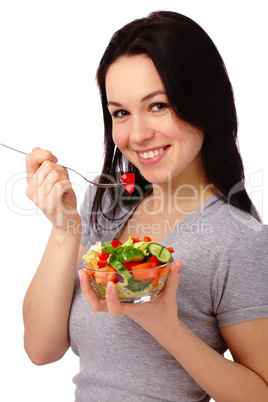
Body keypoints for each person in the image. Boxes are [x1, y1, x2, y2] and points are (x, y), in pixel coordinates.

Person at [23, 11, 268, 401]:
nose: (137, 135)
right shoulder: (109, 200)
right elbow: (41, 349)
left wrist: (163, 324)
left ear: (204, 101)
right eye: (120, 112)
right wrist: (64, 228)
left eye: (158, 105)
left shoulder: (240, 239)